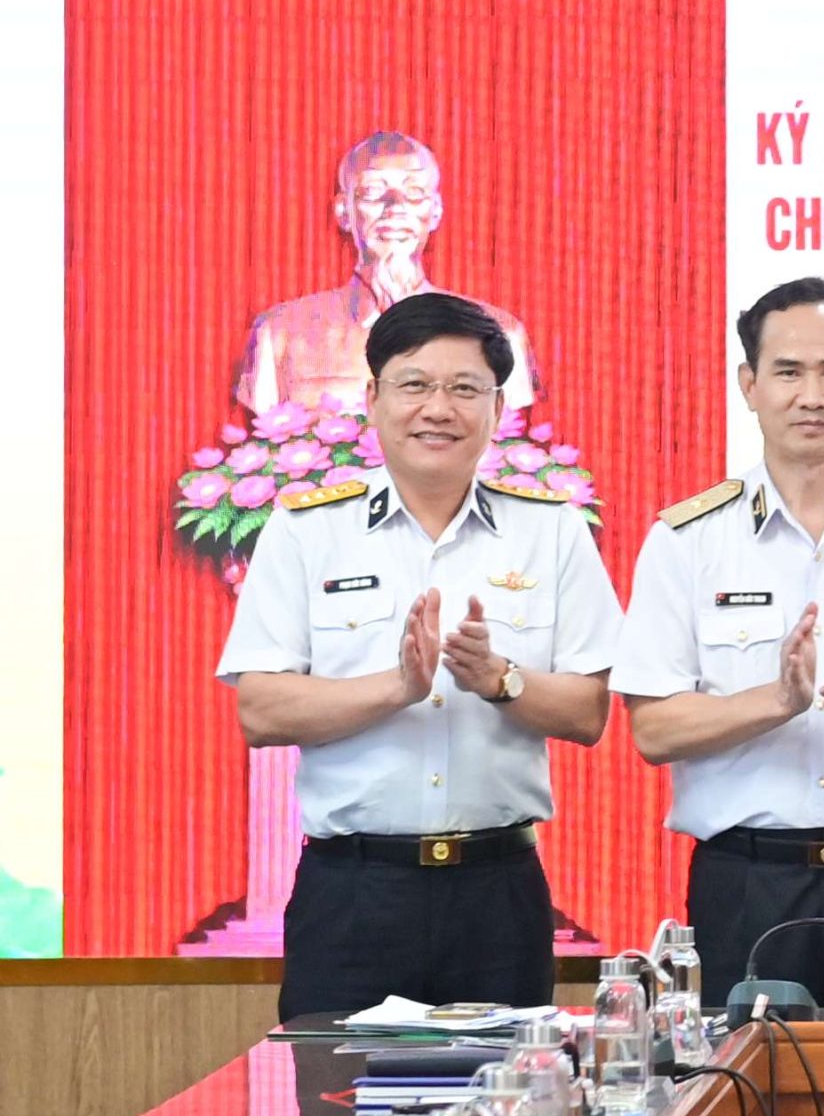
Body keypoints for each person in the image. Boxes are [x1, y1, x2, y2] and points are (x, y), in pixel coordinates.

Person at [217, 293, 619, 1020]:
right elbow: (261, 709)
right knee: (339, 1092)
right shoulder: (306, 530)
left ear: (497, 408)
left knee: (506, 1094)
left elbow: (588, 713)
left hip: (498, 893)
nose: (439, 408)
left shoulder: (551, 532)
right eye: (415, 385)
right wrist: (397, 687)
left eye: (464, 388)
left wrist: (501, 681)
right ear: (373, 398)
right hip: (352, 893)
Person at [613, 278, 824, 1005]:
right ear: (749, 385)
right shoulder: (687, 540)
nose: (813, 395)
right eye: (788, 372)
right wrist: (776, 701)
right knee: (748, 1074)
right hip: (749, 885)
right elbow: (654, 730)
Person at [236, 131, 536, 414]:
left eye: (414, 192)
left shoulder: (497, 333)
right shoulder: (281, 333)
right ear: (344, 211)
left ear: (434, 211)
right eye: (372, 192)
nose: (395, 207)